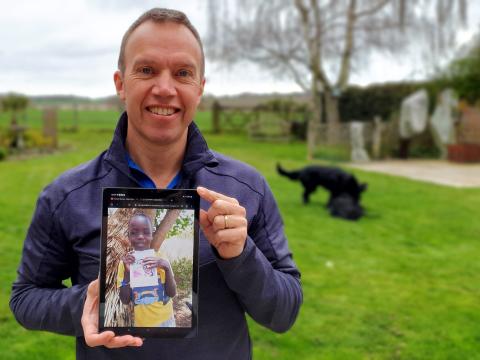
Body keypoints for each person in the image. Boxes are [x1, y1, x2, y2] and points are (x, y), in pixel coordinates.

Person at [10, 8, 302, 359]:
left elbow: (284, 313)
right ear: (120, 84)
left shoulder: (245, 188)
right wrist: (88, 302)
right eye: (146, 70)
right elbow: (25, 297)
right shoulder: (65, 197)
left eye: (182, 73)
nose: (165, 88)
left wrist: (241, 256)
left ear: (199, 89)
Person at [117, 213, 176, 327]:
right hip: (142, 324)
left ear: (152, 235)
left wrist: (167, 268)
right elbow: (125, 300)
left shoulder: (161, 258)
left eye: (146, 232)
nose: (140, 236)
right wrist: (127, 272)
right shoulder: (124, 264)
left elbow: (172, 293)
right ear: (128, 236)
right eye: (134, 233)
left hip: (166, 320)